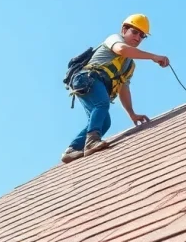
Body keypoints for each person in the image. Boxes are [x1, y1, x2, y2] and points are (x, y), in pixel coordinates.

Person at [60, 14, 170, 163]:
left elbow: (123, 89)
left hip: (93, 84)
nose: (138, 38)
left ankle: (73, 149)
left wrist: (132, 114)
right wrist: (153, 56)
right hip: (87, 78)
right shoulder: (114, 39)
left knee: (104, 122)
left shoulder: (130, 65)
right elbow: (121, 49)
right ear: (124, 30)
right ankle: (92, 142)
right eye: (135, 32)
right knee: (101, 104)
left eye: (142, 35)